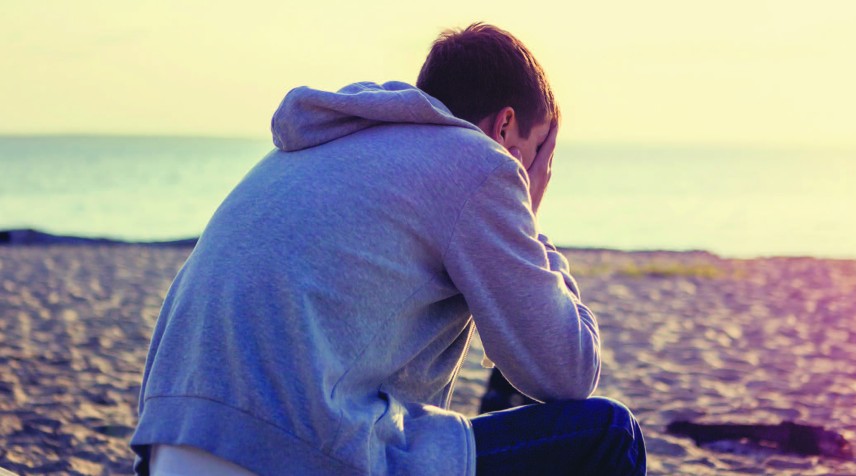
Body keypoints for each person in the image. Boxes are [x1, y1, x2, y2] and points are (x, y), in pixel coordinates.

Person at [130, 23, 646, 475]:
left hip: (170, 444)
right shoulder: (478, 162)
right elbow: (567, 371)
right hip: (293, 451)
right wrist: (530, 220)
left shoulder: (313, 147)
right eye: (532, 154)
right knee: (609, 435)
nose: (526, 172)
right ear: (505, 125)